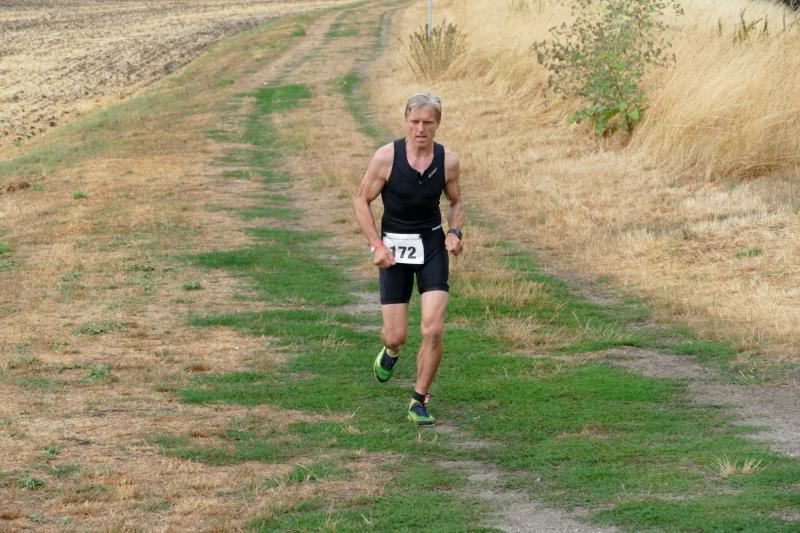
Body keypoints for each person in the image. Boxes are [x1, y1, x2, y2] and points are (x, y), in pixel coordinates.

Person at [353, 91, 464, 426]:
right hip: (394, 249)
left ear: (437, 124)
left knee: (433, 328)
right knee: (395, 335)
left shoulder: (448, 161)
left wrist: (455, 233)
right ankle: (392, 351)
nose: (420, 129)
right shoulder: (386, 157)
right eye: (414, 121)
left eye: (427, 122)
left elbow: (456, 202)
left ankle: (419, 400)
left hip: (431, 245)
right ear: (405, 121)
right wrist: (376, 245)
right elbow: (361, 200)